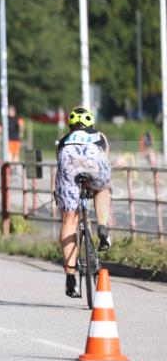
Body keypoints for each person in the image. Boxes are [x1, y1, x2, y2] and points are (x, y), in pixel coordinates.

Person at [54, 107, 112, 298]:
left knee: (69, 219)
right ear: (90, 124)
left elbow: (60, 164)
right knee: (102, 188)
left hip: (68, 158)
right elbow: (105, 156)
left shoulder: (64, 140)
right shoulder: (99, 135)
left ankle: (70, 276)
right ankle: (102, 228)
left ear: (71, 126)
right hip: (94, 158)